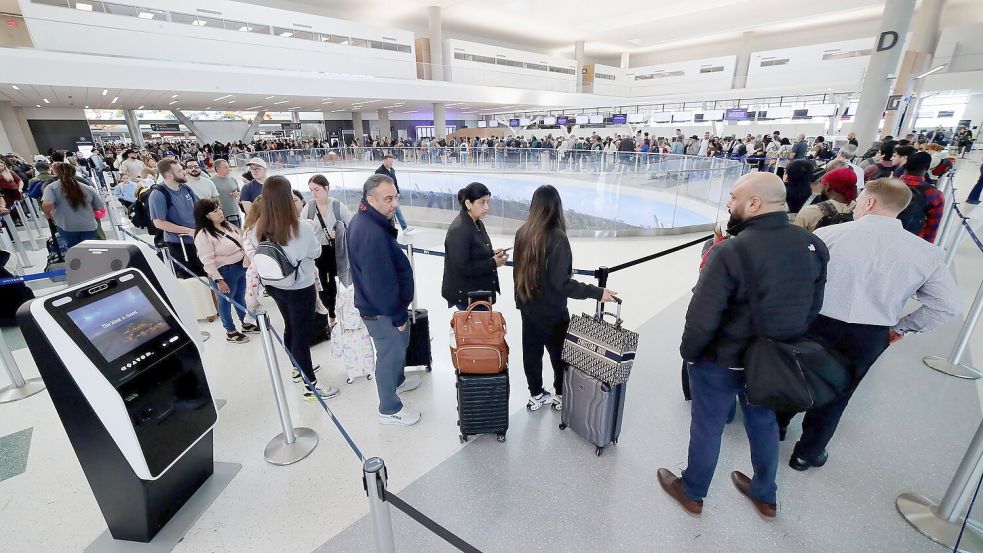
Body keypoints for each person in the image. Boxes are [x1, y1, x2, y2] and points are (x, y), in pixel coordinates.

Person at [658, 172, 829, 519]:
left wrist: (690, 355)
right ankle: (765, 495)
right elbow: (813, 306)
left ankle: (692, 492)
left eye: (734, 196)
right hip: (772, 361)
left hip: (722, 360)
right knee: (763, 422)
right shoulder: (812, 245)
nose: (728, 202)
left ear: (754, 204)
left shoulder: (731, 251)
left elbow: (702, 316)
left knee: (707, 426)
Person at [778, 178, 963, 470]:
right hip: (870, 334)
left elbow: (795, 280)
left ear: (870, 202)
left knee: (797, 375)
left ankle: (778, 427)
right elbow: (949, 304)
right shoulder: (926, 253)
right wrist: (903, 327)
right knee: (840, 392)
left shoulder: (829, 235)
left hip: (816, 323)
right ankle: (806, 453)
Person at [513, 185, 617, 412]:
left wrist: (520, 303)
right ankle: (561, 393)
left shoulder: (522, 233)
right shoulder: (557, 237)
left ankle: (536, 394)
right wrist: (597, 292)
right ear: (556, 208)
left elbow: (517, 272)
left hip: (529, 309)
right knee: (560, 354)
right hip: (553, 311)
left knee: (531, 353)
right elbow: (563, 284)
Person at [244, 176, 338, 400]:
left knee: (290, 328)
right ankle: (311, 386)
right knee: (301, 336)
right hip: (299, 287)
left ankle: (297, 368)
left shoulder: (258, 227)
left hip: (274, 285)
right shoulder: (302, 227)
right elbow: (316, 252)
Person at [347, 174, 422, 426]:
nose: (395, 204)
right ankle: (389, 408)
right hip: (382, 311)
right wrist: (399, 315)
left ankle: (397, 381)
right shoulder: (371, 232)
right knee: (389, 355)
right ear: (371, 199)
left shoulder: (368, 222)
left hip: (384, 306)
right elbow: (380, 283)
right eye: (388, 199)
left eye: (396, 197)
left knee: (399, 348)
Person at [193, 198, 256, 344]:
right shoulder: (204, 235)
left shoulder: (227, 225)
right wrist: (218, 280)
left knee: (240, 297)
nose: (220, 212)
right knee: (225, 302)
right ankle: (230, 331)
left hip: (240, 267)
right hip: (224, 272)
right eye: (215, 211)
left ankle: (245, 322)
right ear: (206, 215)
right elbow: (207, 261)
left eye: (219, 208)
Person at [442, 182, 507, 310]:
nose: (487, 207)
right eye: (482, 202)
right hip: (468, 298)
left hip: (478, 294)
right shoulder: (459, 229)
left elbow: (473, 252)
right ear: (468, 204)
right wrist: (493, 262)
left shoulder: (476, 222)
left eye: (487, 202)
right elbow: (461, 268)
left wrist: (491, 253)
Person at [301, 174, 353, 325]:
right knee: (323, 283)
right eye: (311, 190)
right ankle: (330, 313)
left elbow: (351, 226)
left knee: (337, 281)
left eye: (316, 189)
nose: (314, 193)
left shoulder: (337, 206)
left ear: (326, 188)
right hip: (317, 252)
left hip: (335, 251)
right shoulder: (309, 208)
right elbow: (301, 228)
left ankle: (337, 312)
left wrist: (339, 231)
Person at [148, 159, 205, 277]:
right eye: (179, 171)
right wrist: (188, 231)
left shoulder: (185, 189)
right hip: (179, 244)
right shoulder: (158, 194)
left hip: (197, 239)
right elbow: (159, 223)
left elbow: (199, 209)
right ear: (169, 175)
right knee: (192, 278)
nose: (184, 172)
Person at [41, 163, 105, 249]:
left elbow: (47, 203)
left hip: (66, 225)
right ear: (74, 172)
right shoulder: (87, 187)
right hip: (88, 225)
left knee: (74, 251)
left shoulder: (51, 187)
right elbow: (100, 208)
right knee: (91, 250)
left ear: (56, 173)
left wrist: (48, 215)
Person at [897, 151, 945, 243]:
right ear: (927, 167)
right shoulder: (934, 194)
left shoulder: (886, 185)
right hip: (912, 241)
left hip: (882, 238)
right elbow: (932, 227)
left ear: (905, 165)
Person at [794, 167, 858, 231]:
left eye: (822, 183)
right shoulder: (861, 210)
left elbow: (797, 238)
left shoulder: (809, 212)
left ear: (827, 187)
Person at [374, 154, 410, 232]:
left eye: (392, 161)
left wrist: (397, 192)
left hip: (393, 195)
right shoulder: (379, 171)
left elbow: (395, 182)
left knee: (396, 209)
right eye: (390, 161)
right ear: (385, 161)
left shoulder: (392, 170)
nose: (391, 163)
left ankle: (404, 227)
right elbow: (378, 185)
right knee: (389, 211)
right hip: (385, 196)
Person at [210, 159, 243, 227]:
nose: (228, 169)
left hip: (236, 213)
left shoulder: (232, 179)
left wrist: (238, 195)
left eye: (228, 167)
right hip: (223, 216)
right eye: (225, 167)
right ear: (218, 169)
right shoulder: (211, 182)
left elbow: (240, 193)